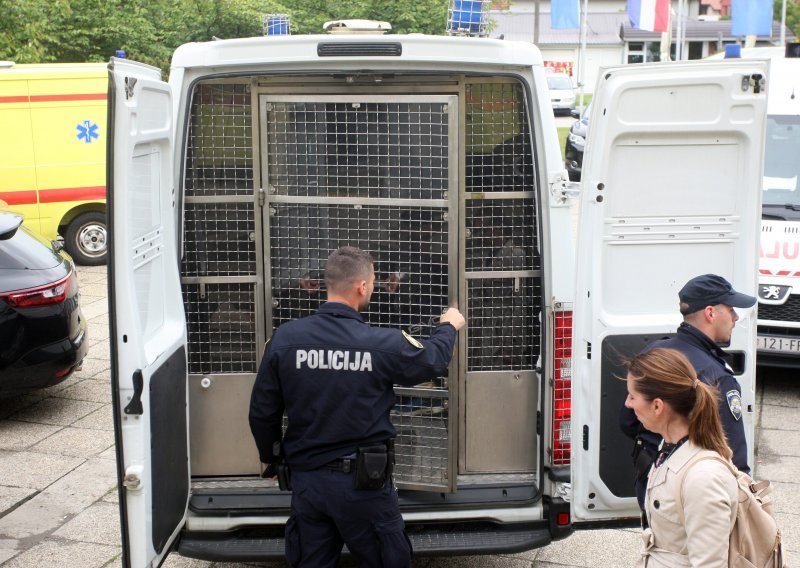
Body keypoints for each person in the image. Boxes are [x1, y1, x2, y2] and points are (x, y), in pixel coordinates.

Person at [249, 246, 466, 568]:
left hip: (308, 481)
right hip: (364, 484)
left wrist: (271, 459)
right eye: (374, 281)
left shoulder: (285, 340)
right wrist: (449, 326)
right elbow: (432, 359)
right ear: (362, 286)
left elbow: (262, 412)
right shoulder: (380, 343)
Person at [621, 273, 755, 509]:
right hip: (694, 496)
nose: (736, 317)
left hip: (651, 482)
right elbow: (733, 458)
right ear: (711, 313)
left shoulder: (655, 352)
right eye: (731, 309)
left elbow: (628, 422)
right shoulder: (718, 376)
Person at [625, 348, 738, 568]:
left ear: (658, 406)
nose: (628, 404)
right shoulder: (669, 447)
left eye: (632, 396)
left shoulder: (703, 479)